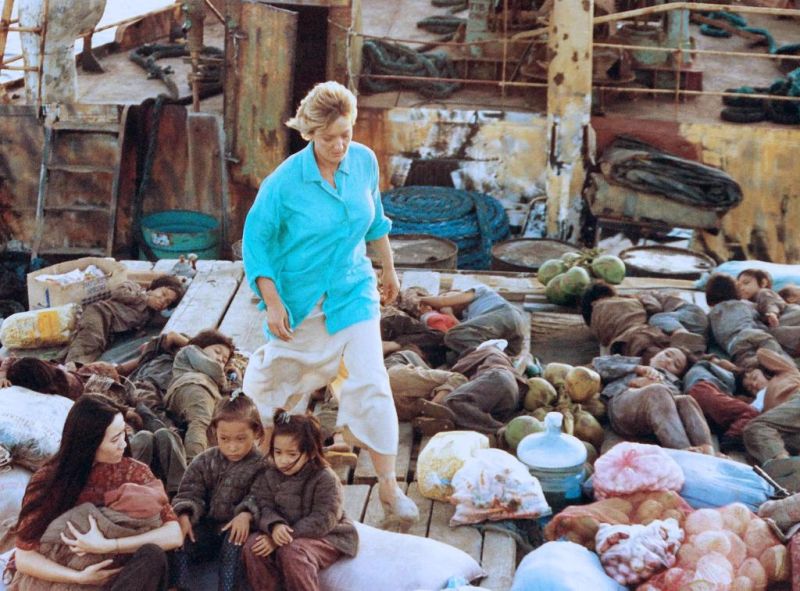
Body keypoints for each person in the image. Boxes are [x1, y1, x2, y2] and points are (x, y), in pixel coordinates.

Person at [241, 81, 417, 530]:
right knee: (273, 385)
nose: (341, 145)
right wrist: (273, 300)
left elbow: (375, 220)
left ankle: (388, 484)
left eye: (347, 133)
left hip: (352, 290)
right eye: (330, 137)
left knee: (371, 381)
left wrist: (389, 270)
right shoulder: (284, 183)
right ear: (310, 133)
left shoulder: (363, 162)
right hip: (299, 299)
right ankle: (259, 467)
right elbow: (256, 241)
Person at [11, 394, 182, 590]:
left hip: (120, 578)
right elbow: (24, 557)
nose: (124, 445)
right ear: (89, 444)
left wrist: (110, 545)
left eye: (123, 434)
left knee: (153, 556)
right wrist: (79, 577)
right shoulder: (48, 481)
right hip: (70, 577)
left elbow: (173, 533)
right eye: (115, 439)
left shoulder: (134, 471)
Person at [241, 410, 358, 591]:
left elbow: (323, 519)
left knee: (292, 552)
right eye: (278, 452)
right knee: (253, 546)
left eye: (292, 454)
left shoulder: (324, 478)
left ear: (310, 453)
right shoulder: (269, 474)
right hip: (283, 531)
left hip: (326, 535)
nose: (282, 460)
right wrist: (274, 526)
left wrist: (281, 538)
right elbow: (262, 504)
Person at [171, 392, 264, 591]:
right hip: (207, 526)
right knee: (182, 540)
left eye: (241, 439)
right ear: (214, 432)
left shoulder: (263, 466)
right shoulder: (205, 460)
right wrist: (185, 514)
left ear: (256, 432)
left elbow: (264, 495)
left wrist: (247, 514)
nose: (232, 447)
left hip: (238, 529)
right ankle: (178, 587)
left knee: (233, 544)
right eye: (225, 438)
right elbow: (189, 491)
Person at [592, 347, 714, 452]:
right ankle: (683, 451)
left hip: (649, 418)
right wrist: (637, 369)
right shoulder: (634, 362)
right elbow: (598, 364)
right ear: (655, 355)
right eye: (667, 354)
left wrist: (654, 385)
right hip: (621, 404)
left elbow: (669, 408)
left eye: (675, 365)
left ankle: (707, 450)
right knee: (657, 391)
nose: (668, 360)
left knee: (686, 400)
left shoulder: (673, 383)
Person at [64, 276, 185, 365]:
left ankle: (74, 370)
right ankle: (69, 370)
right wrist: (145, 299)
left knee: (96, 350)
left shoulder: (151, 314)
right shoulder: (134, 288)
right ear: (154, 288)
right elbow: (118, 292)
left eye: (168, 301)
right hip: (100, 314)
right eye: (163, 293)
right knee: (89, 342)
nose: (162, 300)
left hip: (110, 331)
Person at [165, 329, 236, 462]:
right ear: (202, 345)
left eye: (224, 360)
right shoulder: (191, 350)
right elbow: (214, 368)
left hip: (203, 394)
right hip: (194, 387)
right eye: (217, 351)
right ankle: (192, 468)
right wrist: (225, 373)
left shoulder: (215, 383)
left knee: (210, 433)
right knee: (200, 423)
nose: (220, 358)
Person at [742, 348, 800, 490]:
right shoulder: (759, 404)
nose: (754, 385)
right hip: (790, 426)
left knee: (755, 428)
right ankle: (789, 471)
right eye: (750, 387)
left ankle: (786, 469)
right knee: (758, 435)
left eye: (755, 377)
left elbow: (762, 353)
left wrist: (746, 367)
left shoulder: (786, 373)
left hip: (796, 402)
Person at [706, 273, 791, 369]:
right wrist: (770, 314)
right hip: (755, 334)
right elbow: (760, 315)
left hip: (734, 344)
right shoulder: (745, 304)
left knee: (753, 366)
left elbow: (707, 337)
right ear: (735, 292)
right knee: (781, 362)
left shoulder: (710, 316)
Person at [418, 284, 529, 357]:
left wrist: (420, 299)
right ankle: (500, 359)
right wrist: (449, 314)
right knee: (454, 346)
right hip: (509, 342)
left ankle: (493, 360)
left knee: (452, 337)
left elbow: (443, 301)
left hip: (503, 313)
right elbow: (463, 334)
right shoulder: (470, 317)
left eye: (446, 294)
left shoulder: (480, 291)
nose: (447, 306)